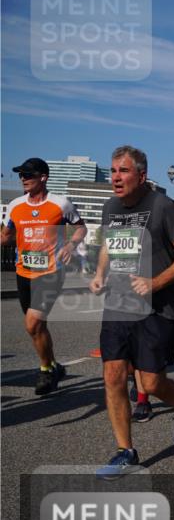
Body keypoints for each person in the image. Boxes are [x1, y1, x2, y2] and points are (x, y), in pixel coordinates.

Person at [90, 146, 174, 479]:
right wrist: (100, 274)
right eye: (113, 171)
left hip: (157, 308)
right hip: (119, 305)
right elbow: (110, 242)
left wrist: (154, 282)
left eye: (123, 171)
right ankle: (126, 451)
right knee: (113, 376)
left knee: (150, 384)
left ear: (141, 174)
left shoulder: (162, 206)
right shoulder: (111, 207)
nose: (116, 178)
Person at [1, 158, 87, 395]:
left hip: (51, 272)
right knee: (37, 327)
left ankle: (45, 369)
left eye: (28, 175)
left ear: (43, 177)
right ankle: (53, 366)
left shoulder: (61, 204)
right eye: (21, 175)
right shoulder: (15, 205)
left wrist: (70, 245)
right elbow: (6, 236)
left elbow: (81, 227)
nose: (23, 179)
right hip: (23, 271)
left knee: (32, 323)